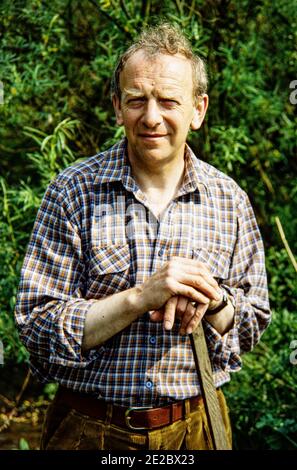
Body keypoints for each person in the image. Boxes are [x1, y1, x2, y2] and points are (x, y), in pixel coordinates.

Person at [15, 23, 271, 451]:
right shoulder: (72, 192)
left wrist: (215, 302)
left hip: (197, 428)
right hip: (90, 430)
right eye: (137, 100)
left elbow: (251, 325)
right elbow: (37, 326)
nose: (152, 117)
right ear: (118, 107)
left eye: (169, 101)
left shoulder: (229, 200)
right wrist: (139, 298)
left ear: (198, 109)